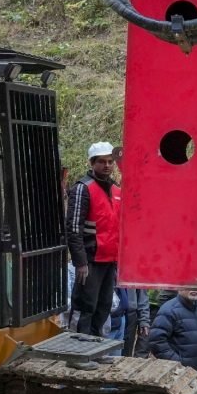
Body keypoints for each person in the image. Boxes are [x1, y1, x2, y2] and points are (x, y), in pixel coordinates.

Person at [66, 142, 122, 336]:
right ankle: (78, 349)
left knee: (104, 306)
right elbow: (73, 229)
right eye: (101, 162)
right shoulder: (83, 188)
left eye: (110, 161)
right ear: (92, 163)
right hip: (90, 261)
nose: (107, 165)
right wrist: (80, 262)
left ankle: (95, 349)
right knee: (84, 306)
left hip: (109, 260)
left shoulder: (117, 190)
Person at [148, 289, 197, 377]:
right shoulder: (169, 310)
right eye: (189, 285)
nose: (193, 289)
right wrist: (177, 363)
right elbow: (156, 341)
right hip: (179, 374)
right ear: (180, 287)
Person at [115, 287, 151, 357]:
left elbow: (142, 298)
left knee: (125, 354)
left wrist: (144, 319)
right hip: (110, 315)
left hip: (130, 316)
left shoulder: (137, 276)